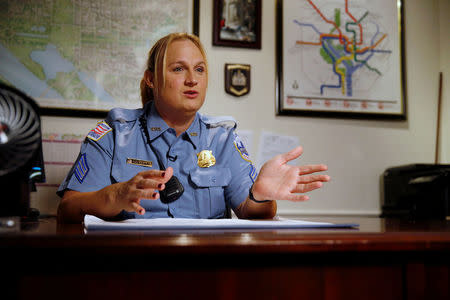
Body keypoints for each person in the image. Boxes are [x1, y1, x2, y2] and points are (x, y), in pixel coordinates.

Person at [57, 32, 330, 223]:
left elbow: (252, 212)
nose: (192, 80)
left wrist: (260, 196)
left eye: (199, 70)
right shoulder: (115, 133)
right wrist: (114, 196)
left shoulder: (223, 138)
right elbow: (67, 209)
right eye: (178, 69)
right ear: (151, 79)